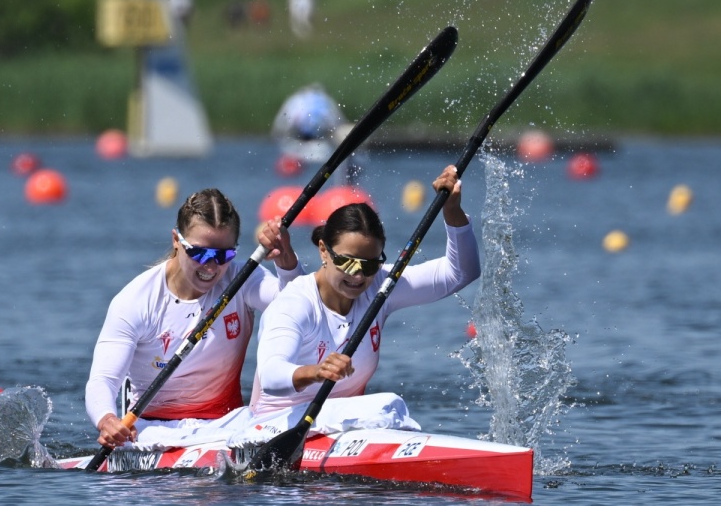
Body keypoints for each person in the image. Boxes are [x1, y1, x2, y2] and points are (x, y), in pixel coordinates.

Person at [249, 165, 481, 427]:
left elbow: (461, 272)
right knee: (387, 406)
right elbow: (271, 376)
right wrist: (316, 371)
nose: (359, 276)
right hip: (275, 424)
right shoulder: (295, 302)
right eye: (348, 263)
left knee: (389, 408)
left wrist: (451, 211)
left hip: (345, 425)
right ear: (323, 251)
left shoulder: (380, 286)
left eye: (369, 264)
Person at [86, 188, 305, 449]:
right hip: (151, 429)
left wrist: (287, 262)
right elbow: (103, 380)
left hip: (226, 425)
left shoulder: (243, 279)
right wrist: (107, 420)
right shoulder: (136, 300)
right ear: (177, 240)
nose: (211, 267)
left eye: (223, 255)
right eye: (200, 253)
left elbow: (300, 309)